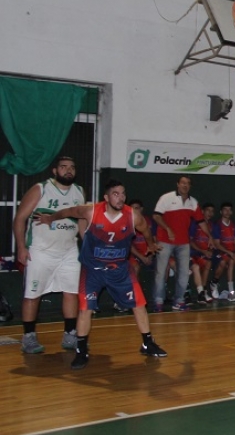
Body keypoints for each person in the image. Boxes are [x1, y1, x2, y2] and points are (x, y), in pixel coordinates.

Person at [37, 180, 167, 370]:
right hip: (93, 270)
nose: (121, 197)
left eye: (123, 193)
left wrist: (150, 244)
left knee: (139, 304)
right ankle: (81, 351)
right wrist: (50, 218)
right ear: (106, 198)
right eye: (116, 194)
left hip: (120, 270)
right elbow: (69, 211)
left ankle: (148, 343)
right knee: (85, 309)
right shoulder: (91, 211)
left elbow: (146, 230)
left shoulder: (133, 216)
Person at [13, 156, 86, 354]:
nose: (68, 171)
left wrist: (87, 243)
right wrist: (21, 247)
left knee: (71, 292)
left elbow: (81, 221)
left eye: (72, 167)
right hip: (41, 251)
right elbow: (19, 219)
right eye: (64, 167)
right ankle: (29, 337)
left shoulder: (79, 191)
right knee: (32, 294)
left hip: (69, 251)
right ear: (55, 171)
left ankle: (70, 334)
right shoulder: (41, 188)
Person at [151, 176, 212, 312]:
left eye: (188, 184)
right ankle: (158, 301)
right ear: (178, 184)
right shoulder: (166, 198)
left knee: (184, 272)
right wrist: (167, 229)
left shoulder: (193, 202)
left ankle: (179, 301)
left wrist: (210, 237)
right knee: (161, 272)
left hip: (183, 243)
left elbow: (201, 222)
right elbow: (156, 216)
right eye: (183, 183)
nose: (185, 186)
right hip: (165, 241)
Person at [210, 202, 235, 301]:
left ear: (231, 212)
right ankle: (214, 283)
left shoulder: (234, 225)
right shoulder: (217, 225)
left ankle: (231, 292)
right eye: (225, 209)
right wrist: (230, 253)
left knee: (233, 261)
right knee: (223, 262)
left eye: (229, 210)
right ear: (221, 211)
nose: (227, 212)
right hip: (220, 251)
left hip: (231, 253)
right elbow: (217, 244)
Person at [191, 203, 216, 304]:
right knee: (195, 266)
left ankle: (203, 291)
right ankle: (198, 293)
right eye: (207, 210)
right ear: (202, 211)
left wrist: (210, 251)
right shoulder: (194, 224)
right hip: (193, 253)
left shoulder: (212, 226)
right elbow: (190, 241)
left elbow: (214, 243)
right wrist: (202, 251)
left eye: (212, 211)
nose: (210, 213)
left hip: (204, 255)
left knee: (208, 263)